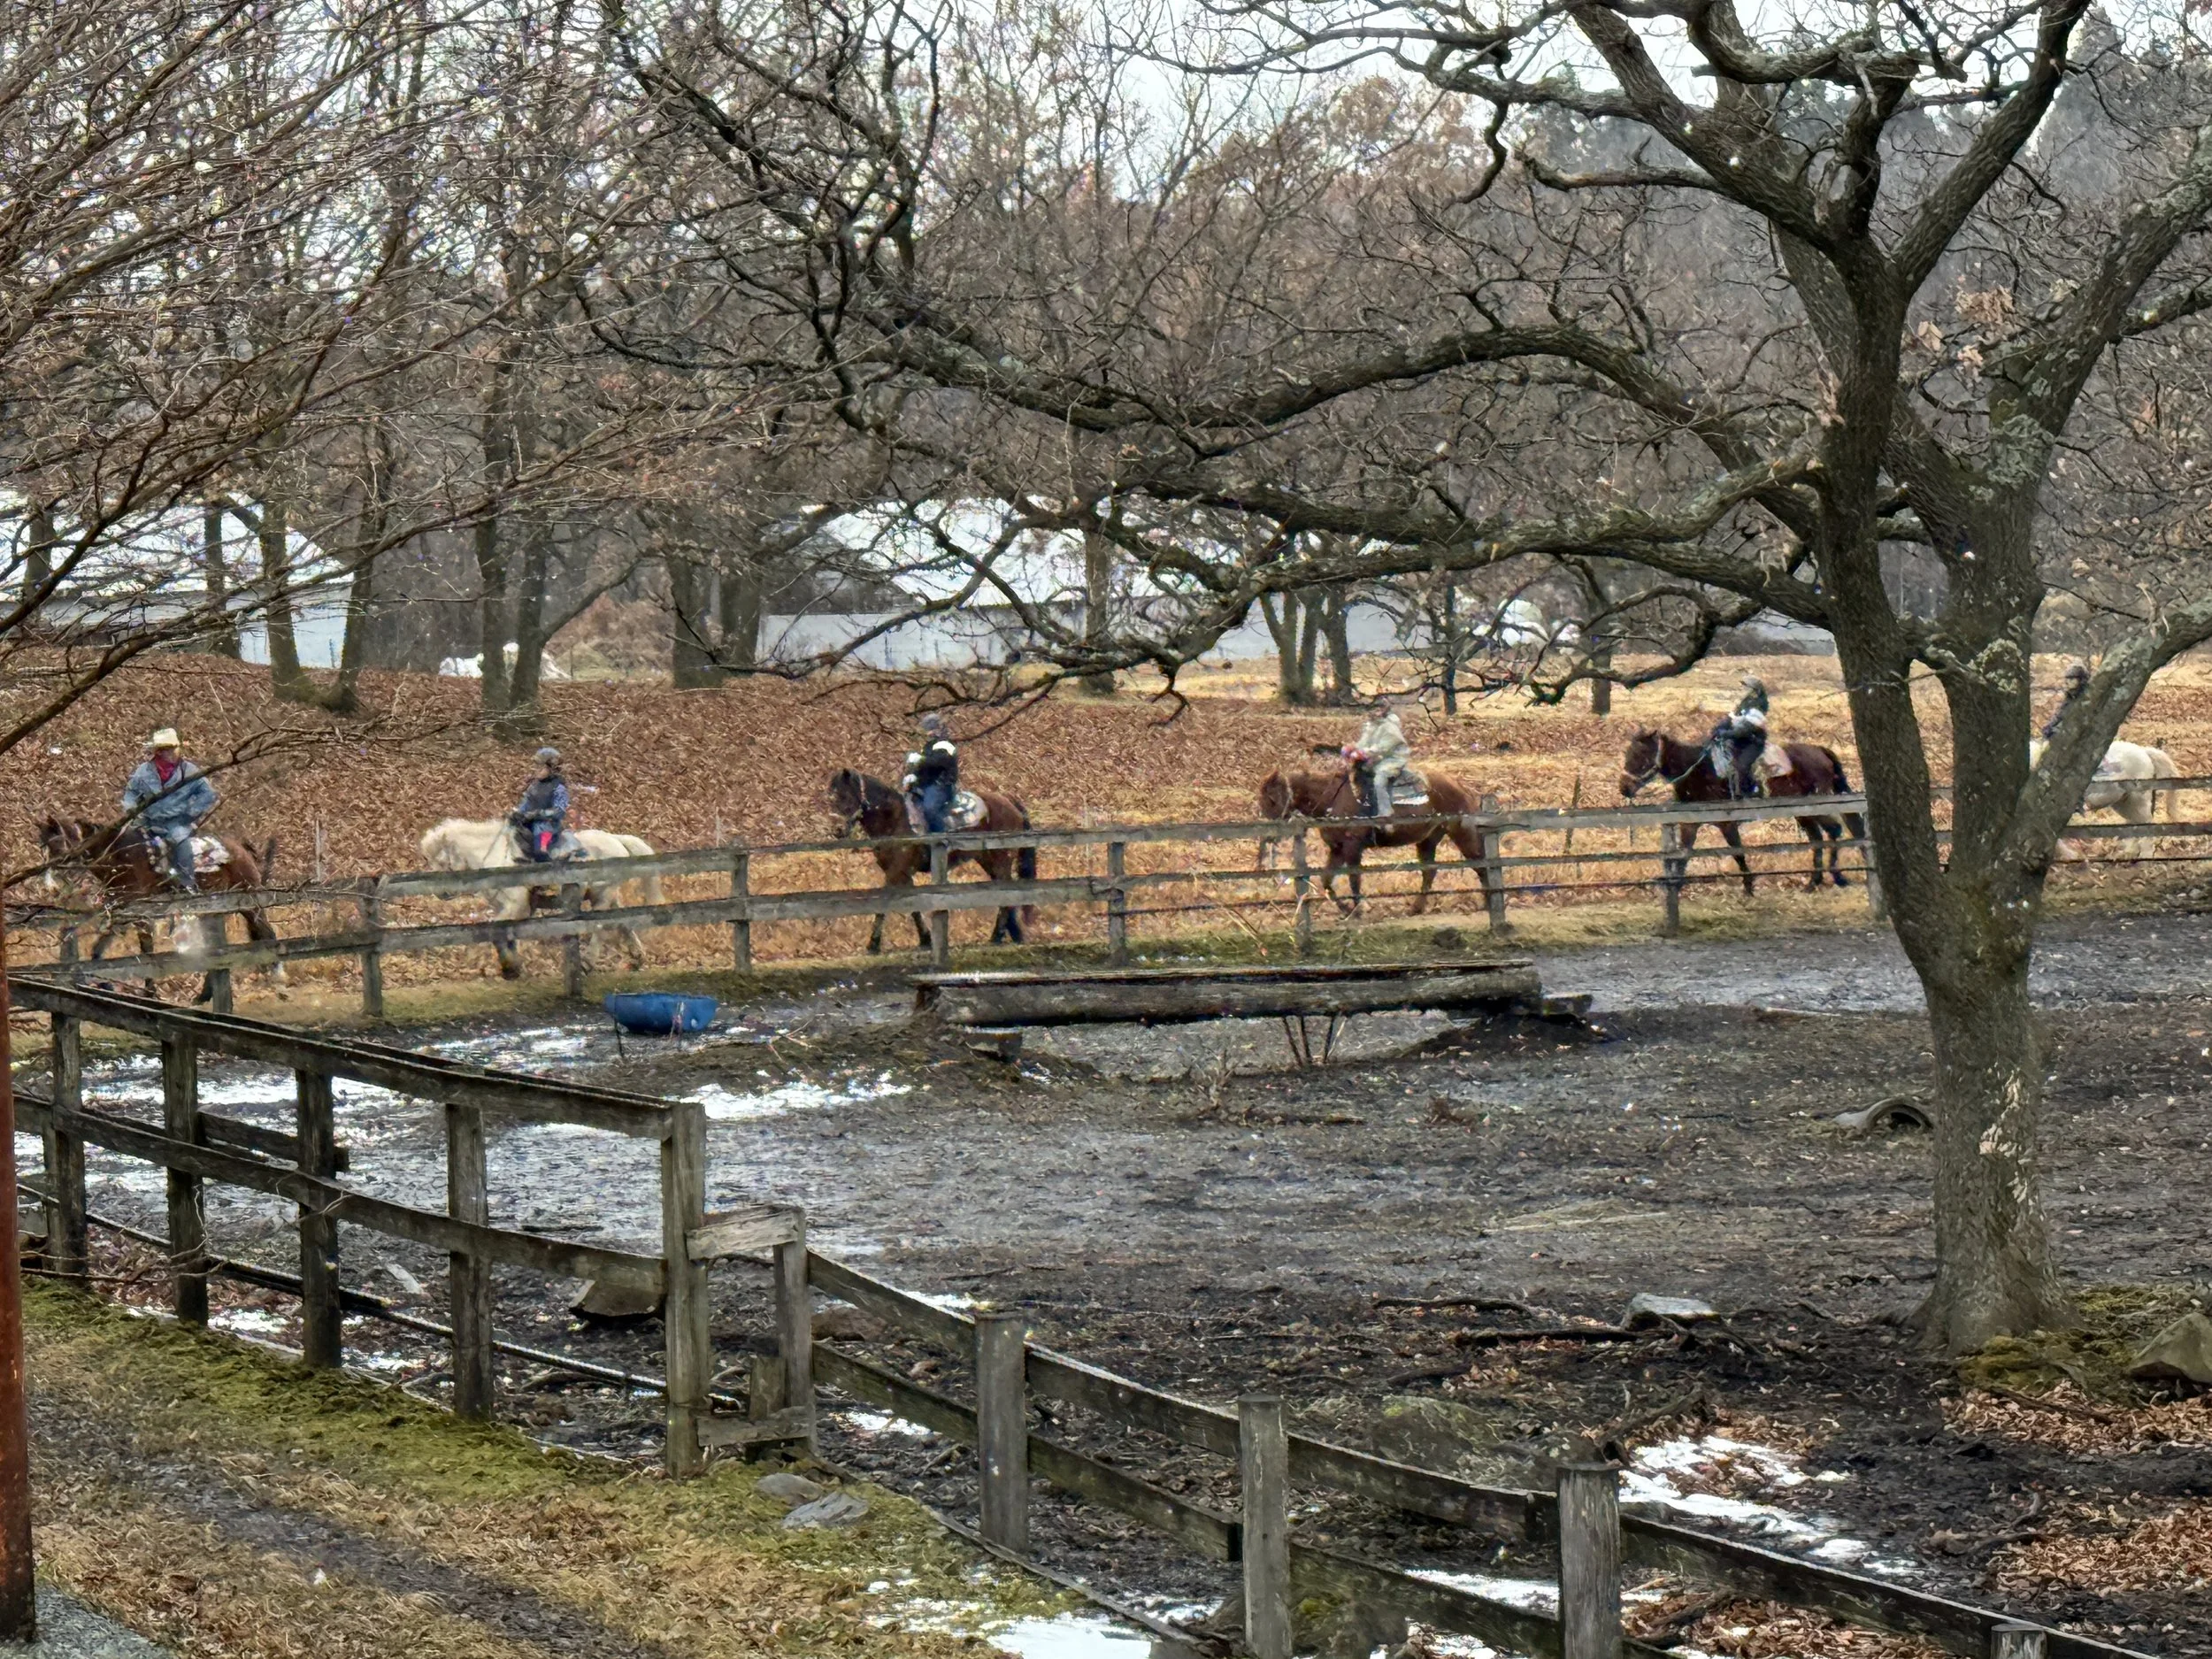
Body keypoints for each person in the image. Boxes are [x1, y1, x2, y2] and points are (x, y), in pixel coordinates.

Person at [119, 728, 219, 893]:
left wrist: (191, 813)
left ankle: (187, 884)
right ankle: (136, 884)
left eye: (172, 748)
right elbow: (131, 792)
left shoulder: (189, 771)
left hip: (176, 822)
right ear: (157, 751)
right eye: (165, 749)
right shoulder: (143, 771)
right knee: (129, 843)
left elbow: (207, 794)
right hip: (148, 821)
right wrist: (131, 810)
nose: (169, 753)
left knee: (180, 841)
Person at [1350, 695, 1415, 816]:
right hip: (1377, 758)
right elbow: (1365, 741)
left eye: (1378, 709)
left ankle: (1385, 812)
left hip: (1393, 759)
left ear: (1384, 710)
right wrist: (1353, 749)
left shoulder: (1390, 725)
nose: (1374, 712)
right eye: (1372, 709)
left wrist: (1365, 753)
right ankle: (1366, 805)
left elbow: (1384, 746)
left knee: (1380, 778)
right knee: (1360, 774)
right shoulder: (1371, 725)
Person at [511, 747, 572, 862]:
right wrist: (517, 814)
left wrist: (537, 814)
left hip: (548, 827)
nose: (536, 770)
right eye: (535, 766)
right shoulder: (534, 787)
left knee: (540, 850)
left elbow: (559, 811)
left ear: (552, 769)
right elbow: (526, 804)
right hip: (530, 824)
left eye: (540, 767)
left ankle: (551, 874)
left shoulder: (559, 788)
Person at [903, 713, 959, 834]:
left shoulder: (946, 745)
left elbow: (937, 762)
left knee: (929, 809)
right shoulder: (928, 747)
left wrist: (920, 759)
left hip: (941, 785)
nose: (929, 733)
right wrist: (912, 776)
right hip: (925, 785)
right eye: (928, 730)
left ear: (939, 728)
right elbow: (923, 767)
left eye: (932, 729)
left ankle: (940, 838)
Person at [1717, 675, 1770, 798]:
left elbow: (1745, 730)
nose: (1742, 689)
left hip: (1753, 743)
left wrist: (1726, 734)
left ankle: (1751, 792)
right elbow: (1731, 718)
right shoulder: (1744, 703)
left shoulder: (1758, 707)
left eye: (1745, 686)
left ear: (1754, 690)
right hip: (1739, 740)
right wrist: (1719, 729)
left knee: (1742, 765)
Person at [2043, 661, 2091, 740]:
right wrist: (2049, 727)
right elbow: (2060, 715)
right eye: (2067, 679)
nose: (2068, 682)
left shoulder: (2086, 698)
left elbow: (2077, 722)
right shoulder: (2070, 697)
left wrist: (2057, 730)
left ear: (2081, 680)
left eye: (2072, 679)